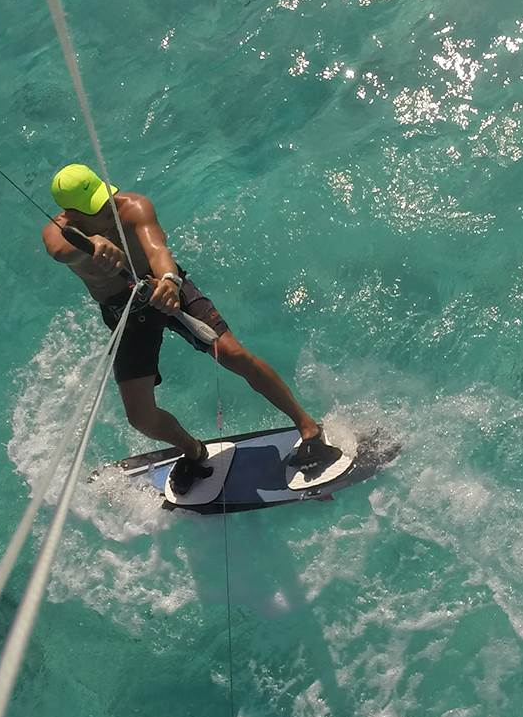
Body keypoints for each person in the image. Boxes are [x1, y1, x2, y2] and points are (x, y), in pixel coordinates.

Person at [41, 162, 338, 495]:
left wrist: (169, 281)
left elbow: (157, 250)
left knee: (233, 354)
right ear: (71, 214)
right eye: (98, 208)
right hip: (125, 312)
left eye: (106, 197)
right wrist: (93, 243)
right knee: (140, 416)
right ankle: (194, 452)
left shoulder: (134, 207)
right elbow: (58, 249)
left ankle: (308, 428)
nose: (110, 207)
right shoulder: (59, 233)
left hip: (163, 286)